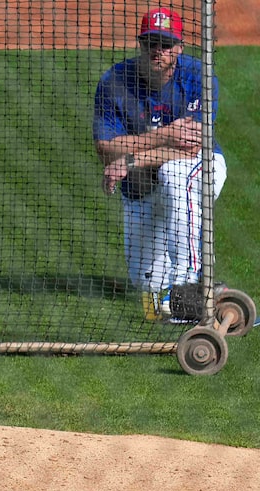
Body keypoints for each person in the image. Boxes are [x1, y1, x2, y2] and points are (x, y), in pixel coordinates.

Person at [94, 7, 226, 323]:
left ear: (179, 47)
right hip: (140, 187)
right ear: (141, 44)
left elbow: (189, 147)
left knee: (175, 174)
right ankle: (181, 283)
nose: (158, 51)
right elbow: (104, 148)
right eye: (151, 42)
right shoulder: (115, 82)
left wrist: (130, 158)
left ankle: (192, 285)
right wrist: (166, 134)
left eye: (165, 44)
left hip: (199, 167)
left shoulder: (198, 78)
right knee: (147, 282)